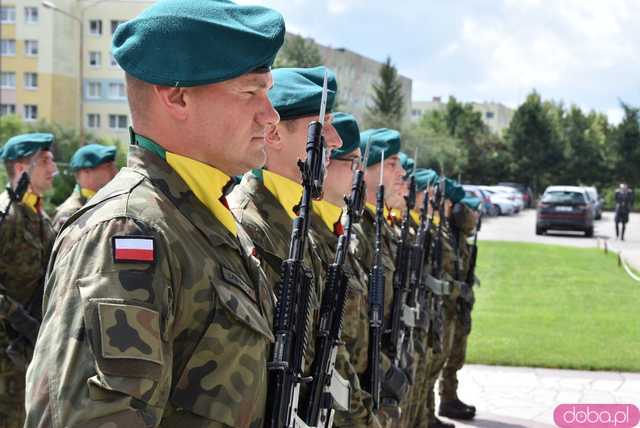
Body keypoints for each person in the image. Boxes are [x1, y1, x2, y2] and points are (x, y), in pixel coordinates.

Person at [24, 0, 285, 426]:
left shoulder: (201, 220)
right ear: (177, 97)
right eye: (251, 91)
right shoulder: (129, 232)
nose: (269, 115)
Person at [0, 132, 57, 428]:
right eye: (45, 161)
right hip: (7, 355)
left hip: (35, 350)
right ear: (22, 168)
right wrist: (18, 318)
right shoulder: (5, 216)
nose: (53, 168)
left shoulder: (40, 218)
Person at [52, 143, 118, 230]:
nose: (115, 172)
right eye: (108, 167)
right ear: (86, 172)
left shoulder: (103, 203)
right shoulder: (70, 213)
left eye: (114, 166)